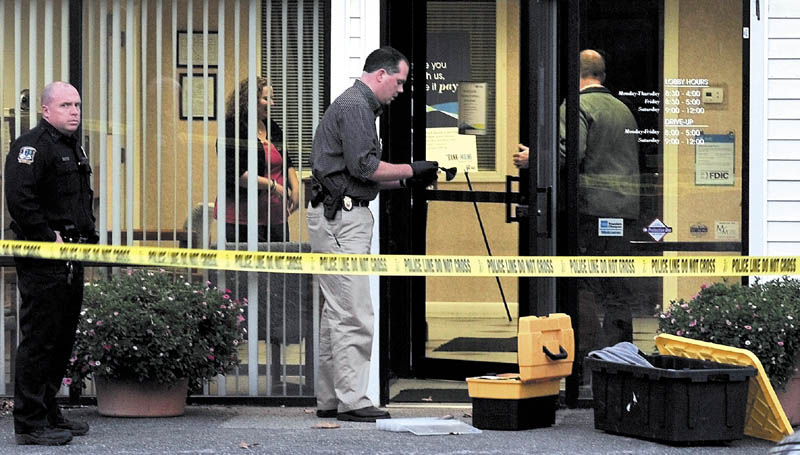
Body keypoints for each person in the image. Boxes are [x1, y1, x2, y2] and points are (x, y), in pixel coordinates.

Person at [307, 46, 439, 422]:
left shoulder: (355, 106)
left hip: (337, 215)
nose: (400, 90)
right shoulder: (356, 107)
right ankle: (353, 401)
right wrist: (410, 170)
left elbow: (353, 177)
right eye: (398, 82)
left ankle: (331, 399)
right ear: (380, 75)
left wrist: (405, 179)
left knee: (336, 312)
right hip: (341, 221)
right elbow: (364, 167)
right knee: (354, 312)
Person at [515, 49, 640, 349]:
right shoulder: (624, 109)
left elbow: (569, 153)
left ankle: (584, 354)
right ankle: (619, 353)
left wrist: (535, 158)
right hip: (625, 210)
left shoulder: (576, 106)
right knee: (617, 285)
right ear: (603, 75)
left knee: (583, 284)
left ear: (576, 75)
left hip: (591, 210)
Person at [5, 81, 97, 446]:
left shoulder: (73, 146)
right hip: (45, 255)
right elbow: (20, 199)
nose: (74, 111)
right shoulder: (31, 147)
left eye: (77, 104)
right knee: (40, 338)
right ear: (46, 111)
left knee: (61, 338)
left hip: (72, 254)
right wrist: (46, 236)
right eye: (65, 105)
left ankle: (48, 408)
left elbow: (79, 199)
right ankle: (29, 422)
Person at [215, 77, 300, 242]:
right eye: (266, 98)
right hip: (241, 217)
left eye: (272, 99)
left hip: (275, 216)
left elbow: (286, 161)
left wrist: (295, 188)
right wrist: (274, 186)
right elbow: (234, 173)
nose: (272, 103)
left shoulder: (272, 127)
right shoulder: (232, 129)